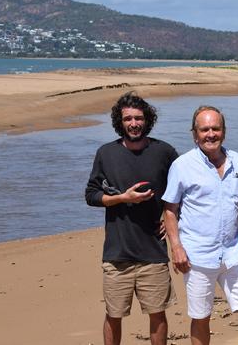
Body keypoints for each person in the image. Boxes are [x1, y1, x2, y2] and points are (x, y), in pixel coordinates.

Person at [162, 105, 238, 345]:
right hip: (197, 256)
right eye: (204, 129)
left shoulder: (237, 161)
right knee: (201, 317)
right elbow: (170, 210)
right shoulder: (182, 165)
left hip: (233, 254)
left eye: (215, 129)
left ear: (224, 131)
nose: (211, 134)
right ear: (195, 134)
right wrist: (176, 247)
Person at [85, 91, 178, 345]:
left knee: (157, 314)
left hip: (153, 252)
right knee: (114, 315)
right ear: (120, 122)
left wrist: (173, 219)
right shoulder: (106, 153)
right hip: (117, 254)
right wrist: (122, 199)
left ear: (147, 120)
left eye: (138, 118)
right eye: (128, 119)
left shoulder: (164, 152)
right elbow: (91, 195)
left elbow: (184, 190)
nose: (134, 124)